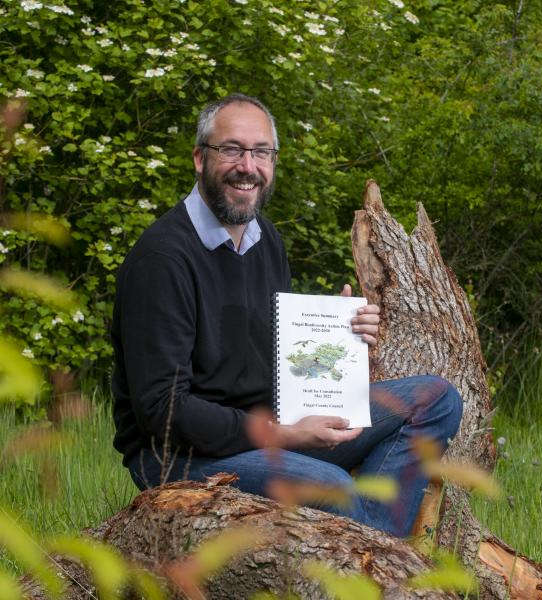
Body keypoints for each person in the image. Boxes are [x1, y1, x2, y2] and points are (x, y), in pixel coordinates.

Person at [111, 93, 463, 538]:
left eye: (261, 152)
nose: (247, 165)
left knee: (434, 398)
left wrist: (338, 339)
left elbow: (270, 358)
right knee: (331, 484)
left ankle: (372, 543)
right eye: (231, 149)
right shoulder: (161, 259)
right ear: (200, 159)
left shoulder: (266, 240)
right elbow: (164, 413)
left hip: (270, 427)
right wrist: (287, 434)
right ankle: (381, 555)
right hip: (179, 455)